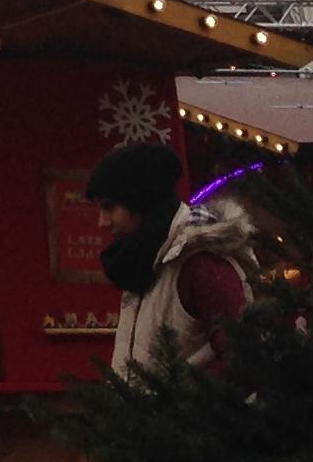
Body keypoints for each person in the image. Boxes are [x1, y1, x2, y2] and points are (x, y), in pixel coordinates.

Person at [89, 142, 254, 377]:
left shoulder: (200, 264)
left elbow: (243, 354)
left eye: (109, 207)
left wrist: (180, 404)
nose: (102, 222)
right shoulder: (146, 261)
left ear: (141, 201)